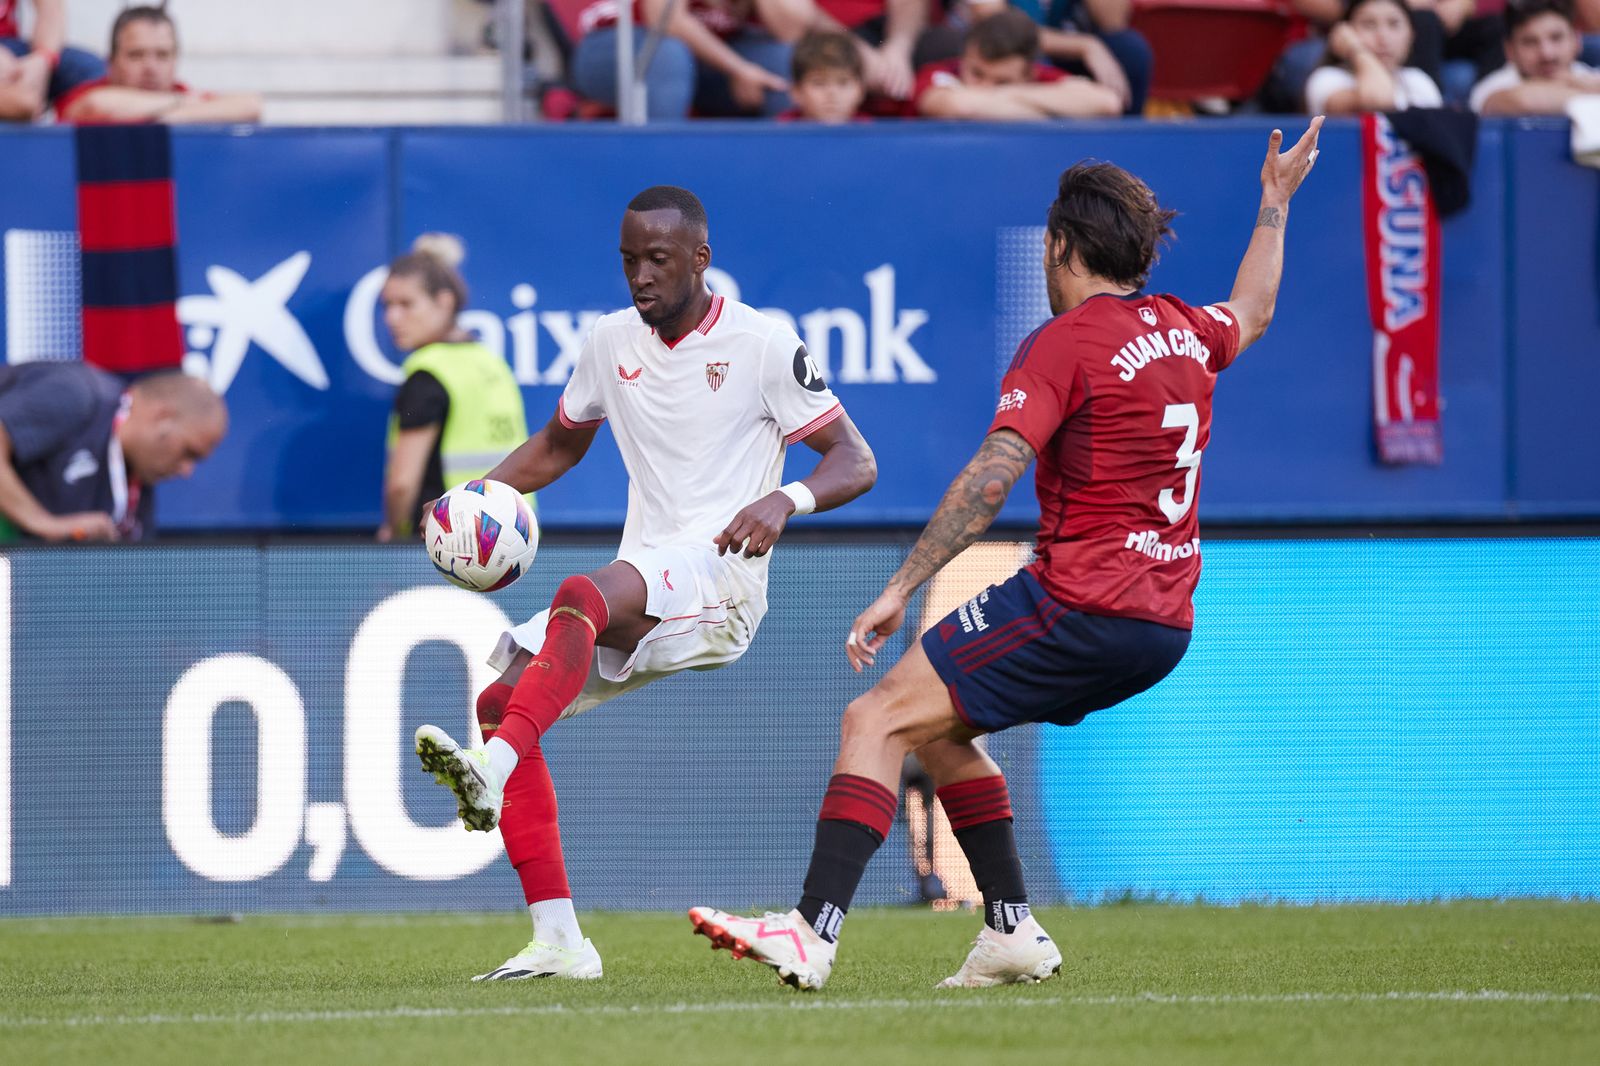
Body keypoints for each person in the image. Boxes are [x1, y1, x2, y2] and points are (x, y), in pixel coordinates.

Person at [687, 118, 1324, 991]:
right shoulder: (1184, 330)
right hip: (1164, 624)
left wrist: (900, 587)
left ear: (1061, 246)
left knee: (872, 718)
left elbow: (992, 479)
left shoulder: (1063, 343)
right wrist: (1274, 205)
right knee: (942, 729)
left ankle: (811, 931)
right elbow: (1254, 308)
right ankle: (1011, 929)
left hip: (1081, 601)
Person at [411, 186, 877, 981]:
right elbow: (560, 445)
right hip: (656, 573)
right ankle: (560, 941)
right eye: (628, 260)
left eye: (657, 260)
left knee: (580, 598)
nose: (640, 276)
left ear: (700, 257)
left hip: (723, 579)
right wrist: (472, 501)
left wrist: (783, 499)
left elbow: (854, 461)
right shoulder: (609, 341)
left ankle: (489, 777)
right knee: (501, 705)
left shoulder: (763, 344)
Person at [378, 234, 529, 542]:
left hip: (445, 541)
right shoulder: (492, 363)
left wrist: (392, 534)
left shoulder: (427, 374)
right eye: (388, 305)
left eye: (406, 304)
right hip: (511, 538)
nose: (392, 318)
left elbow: (401, 485)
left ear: (444, 302)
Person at [0, 364, 226, 543]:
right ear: (162, 416)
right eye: (189, 452)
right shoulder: (77, 394)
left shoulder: (137, 490)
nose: (187, 470)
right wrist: (44, 523)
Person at [569, 0, 812, 119]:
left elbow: (791, 32)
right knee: (669, 55)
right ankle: (661, 189)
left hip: (706, 58)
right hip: (617, 45)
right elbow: (665, 20)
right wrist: (740, 69)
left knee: (786, 61)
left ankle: (779, 181)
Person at [54, 4, 261, 124]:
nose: (150, 67)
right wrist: (181, 105)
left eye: (162, 55)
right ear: (111, 63)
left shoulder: (180, 94)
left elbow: (250, 106)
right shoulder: (87, 94)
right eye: (136, 55)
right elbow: (96, 106)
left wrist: (169, 113)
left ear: (175, 60)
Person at [913, 7, 1121, 119]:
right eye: (977, 73)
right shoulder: (939, 72)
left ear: (1029, 74)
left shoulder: (1039, 75)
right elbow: (959, 106)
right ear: (966, 55)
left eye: (1002, 81)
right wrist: (1047, 111)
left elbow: (1106, 103)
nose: (985, 87)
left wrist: (1006, 97)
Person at [1305, 0, 1443, 113]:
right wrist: (1356, 50)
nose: (1383, 37)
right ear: (1346, 32)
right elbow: (1378, 102)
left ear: (1412, 34)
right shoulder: (1327, 79)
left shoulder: (1418, 80)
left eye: (1394, 24)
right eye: (1369, 24)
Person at [1469, 0, 1600, 112]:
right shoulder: (1490, 88)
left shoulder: (1592, 77)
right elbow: (1523, 101)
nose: (1547, 54)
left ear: (1577, 40)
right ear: (1509, 50)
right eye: (1530, 42)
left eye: (1556, 38)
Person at [0, 0, 104, 122]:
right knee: (23, 103)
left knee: (92, 70)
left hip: (12, 54)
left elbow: (50, 8)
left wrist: (43, 59)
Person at [781, 29, 868, 121]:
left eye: (843, 83)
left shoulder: (870, 131)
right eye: (819, 83)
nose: (832, 93)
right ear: (796, 92)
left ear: (861, 91)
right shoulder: (781, 130)